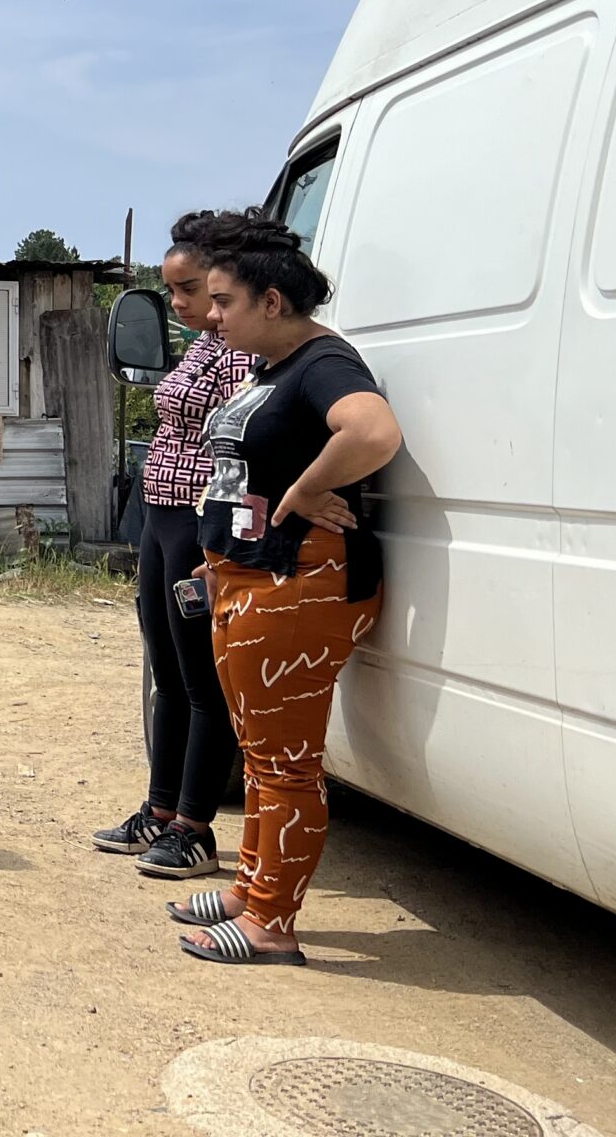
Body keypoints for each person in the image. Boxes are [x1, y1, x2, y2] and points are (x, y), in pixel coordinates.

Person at [171, 213, 402, 966]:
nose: (212, 315)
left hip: (301, 584)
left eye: (224, 301)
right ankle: (249, 889)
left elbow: (371, 432)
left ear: (272, 302)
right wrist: (226, 550)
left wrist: (304, 492)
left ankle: (272, 922)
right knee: (261, 754)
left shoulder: (323, 363)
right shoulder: (272, 370)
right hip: (250, 576)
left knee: (287, 764)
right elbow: (250, 476)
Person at [92, 210, 253, 880]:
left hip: (197, 518)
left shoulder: (241, 347)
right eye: (177, 294)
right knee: (165, 674)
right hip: (160, 516)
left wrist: (218, 542)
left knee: (200, 681)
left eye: (190, 291)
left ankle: (195, 827)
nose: (182, 306)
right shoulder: (201, 345)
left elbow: (240, 446)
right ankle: (158, 812)